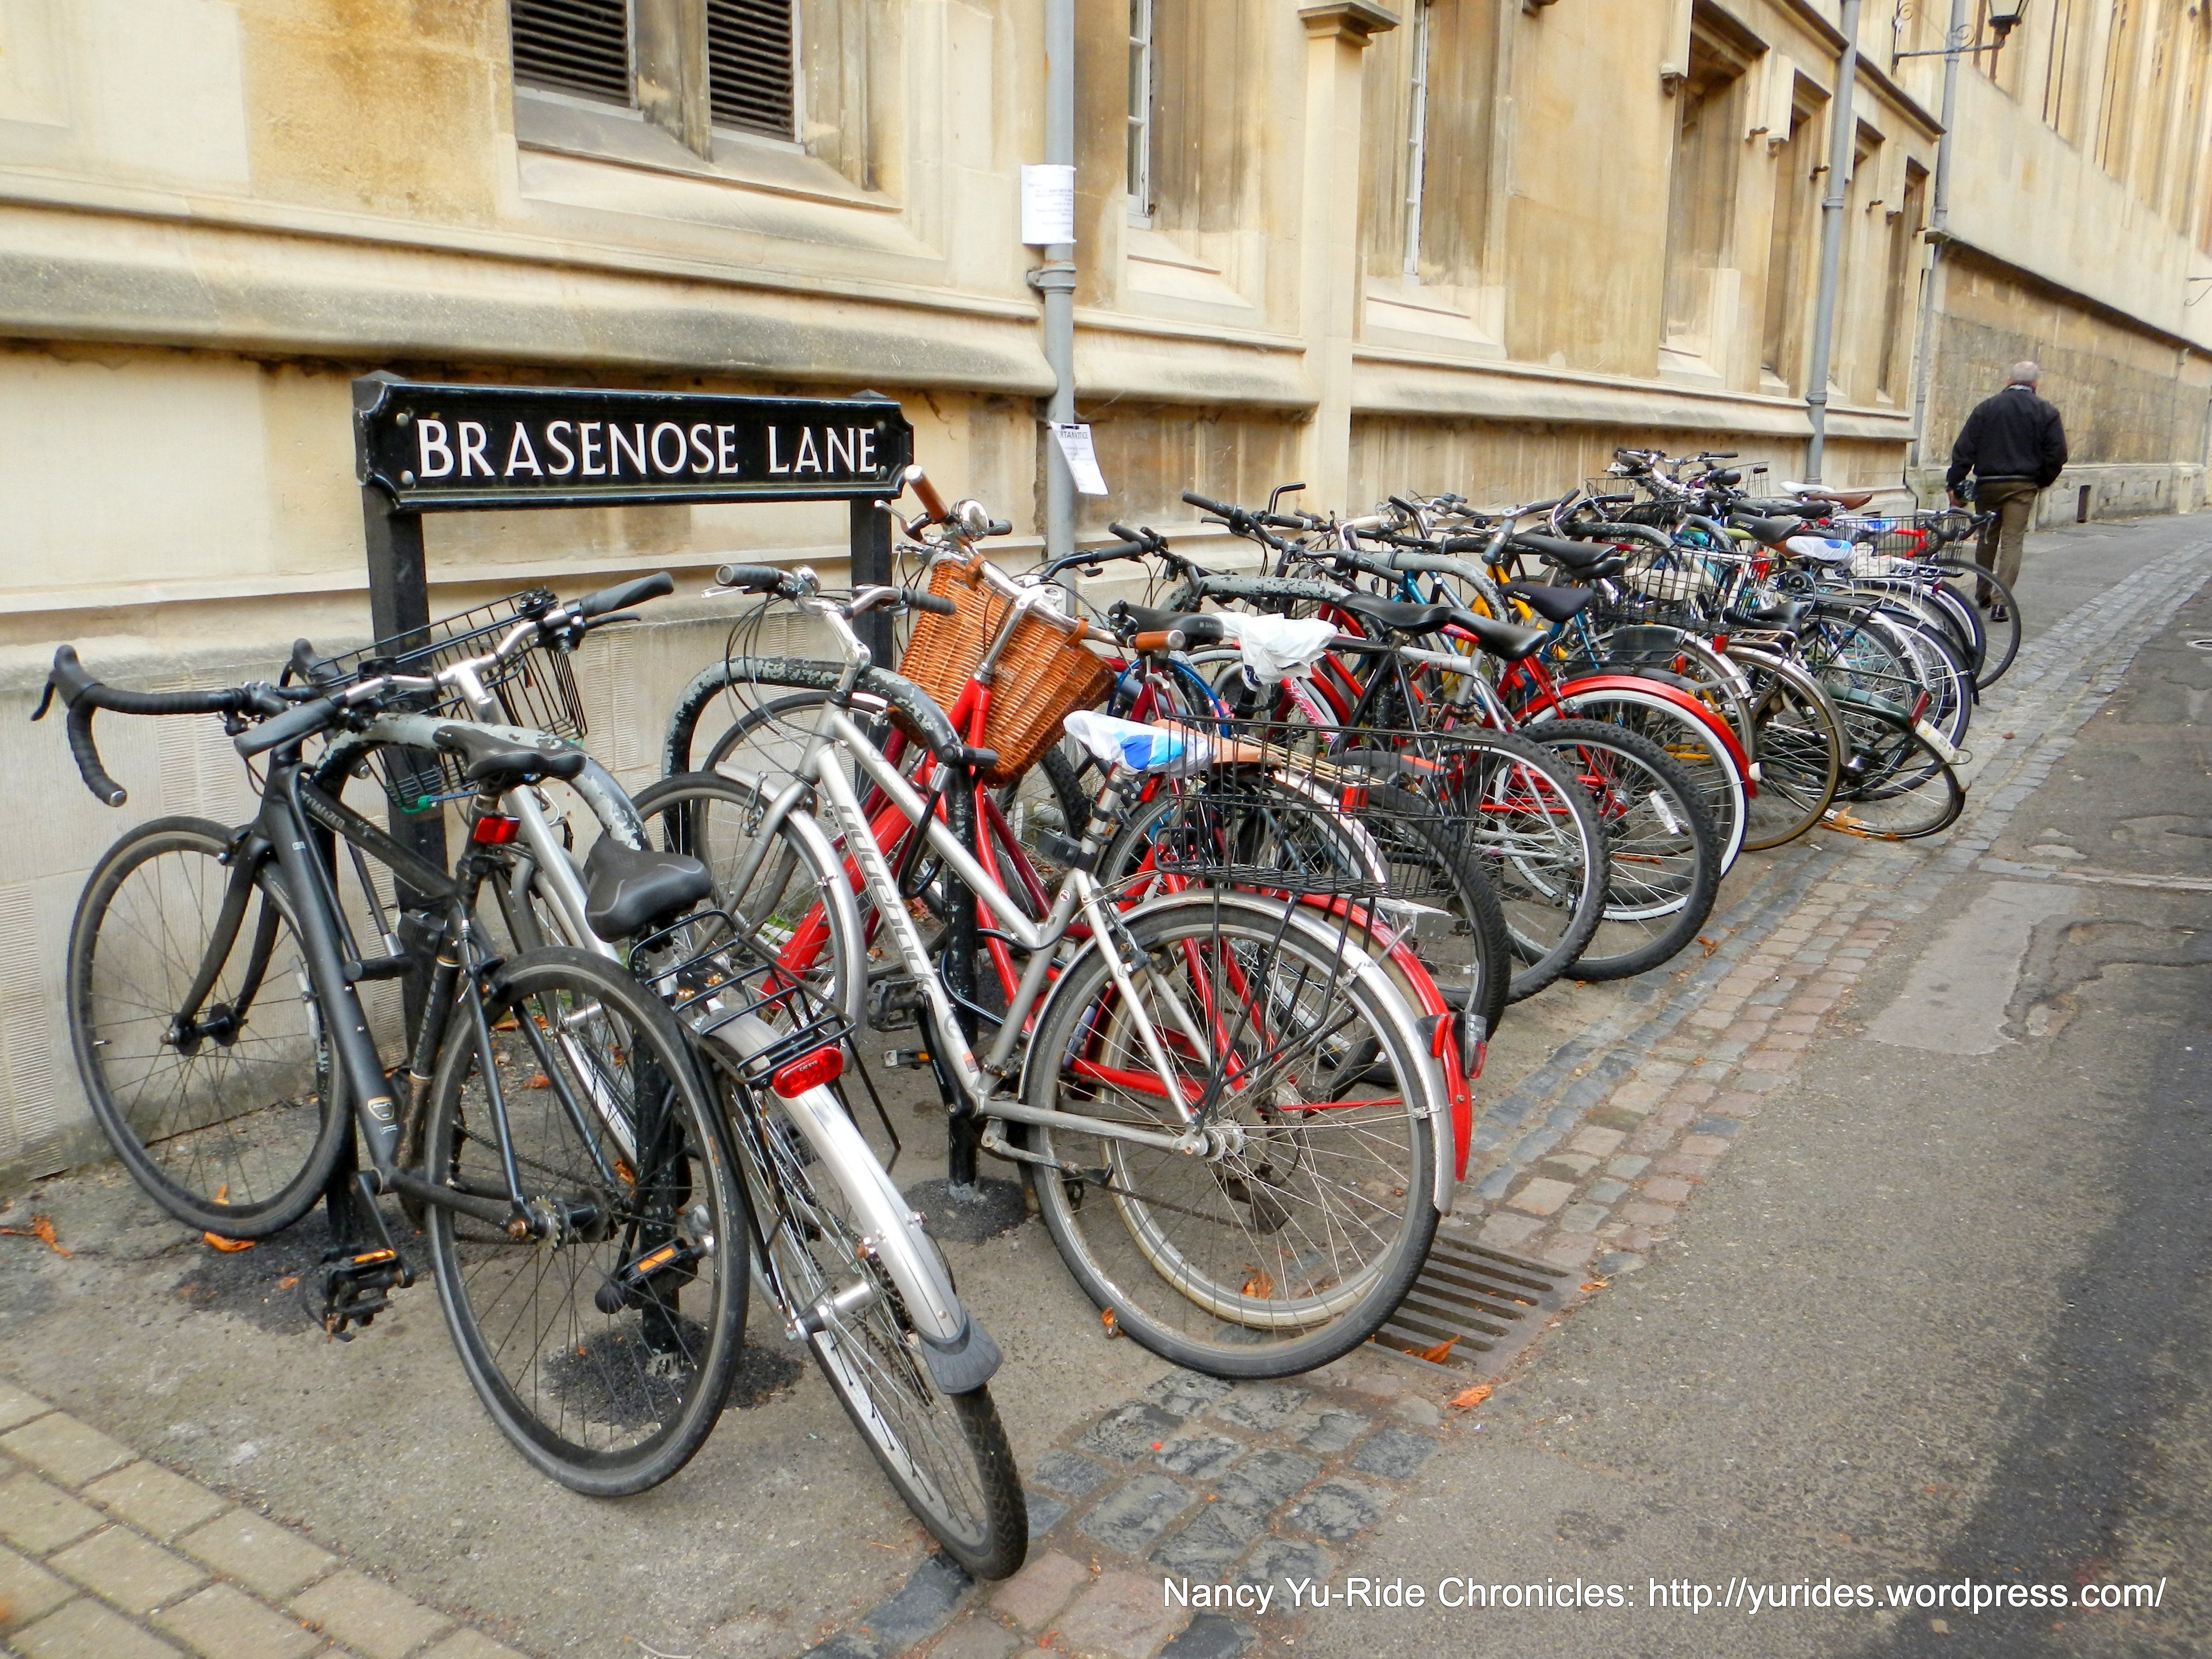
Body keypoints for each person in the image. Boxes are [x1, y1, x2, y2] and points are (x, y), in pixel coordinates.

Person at [1945, 361, 2067, 622]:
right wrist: (2042, 481)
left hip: (1988, 483)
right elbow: (2057, 455)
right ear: (2036, 384)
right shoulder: (2047, 412)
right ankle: (2001, 602)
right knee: (2013, 541)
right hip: (2023, 485)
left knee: (1987, 538)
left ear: (2008, 381)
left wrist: (1955, 484)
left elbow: (1964, 449)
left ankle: (1982, 592)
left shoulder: (1987, 408)